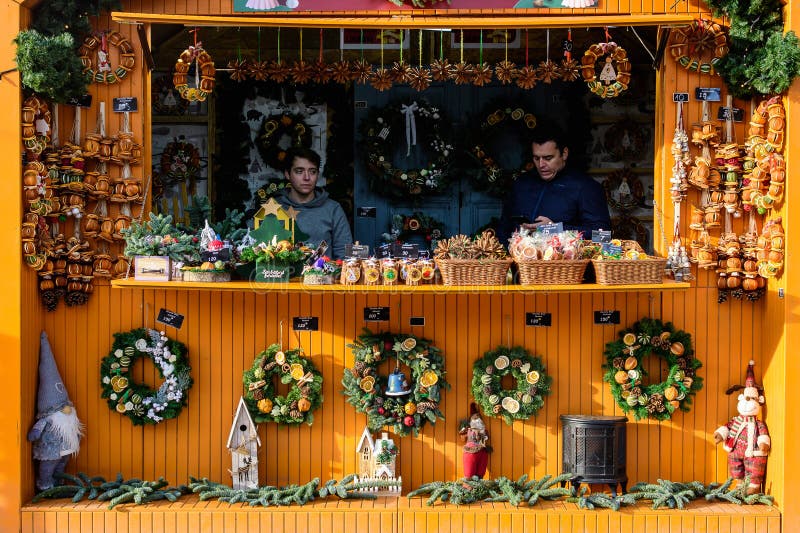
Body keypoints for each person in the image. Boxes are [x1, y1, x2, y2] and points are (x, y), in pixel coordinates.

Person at [497, 125, 611, 243]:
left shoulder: (586, 187)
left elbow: (604, 236)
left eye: (548, 158)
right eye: (536, 158)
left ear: (564, 153)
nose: (541, 165)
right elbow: (503, 229)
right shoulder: (521, 184)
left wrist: (557, 230)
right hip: (519, 259)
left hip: (563, 260)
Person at [275, 147, 353, 259]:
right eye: (299, 171)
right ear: (287, 174)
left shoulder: (333, 209)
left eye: (312, 171)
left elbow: (345, 253)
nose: (307, 178)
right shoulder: (273, 208)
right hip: (281, 275)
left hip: (323, 275)